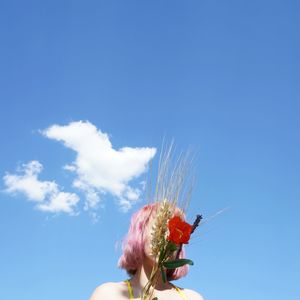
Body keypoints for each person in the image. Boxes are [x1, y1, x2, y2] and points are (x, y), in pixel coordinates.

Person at [90, 202, 204, 300]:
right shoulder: (109, 294)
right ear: (140, 235)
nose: (168, 237)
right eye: (161, 229)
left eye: (176, 232)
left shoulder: (192, 297)